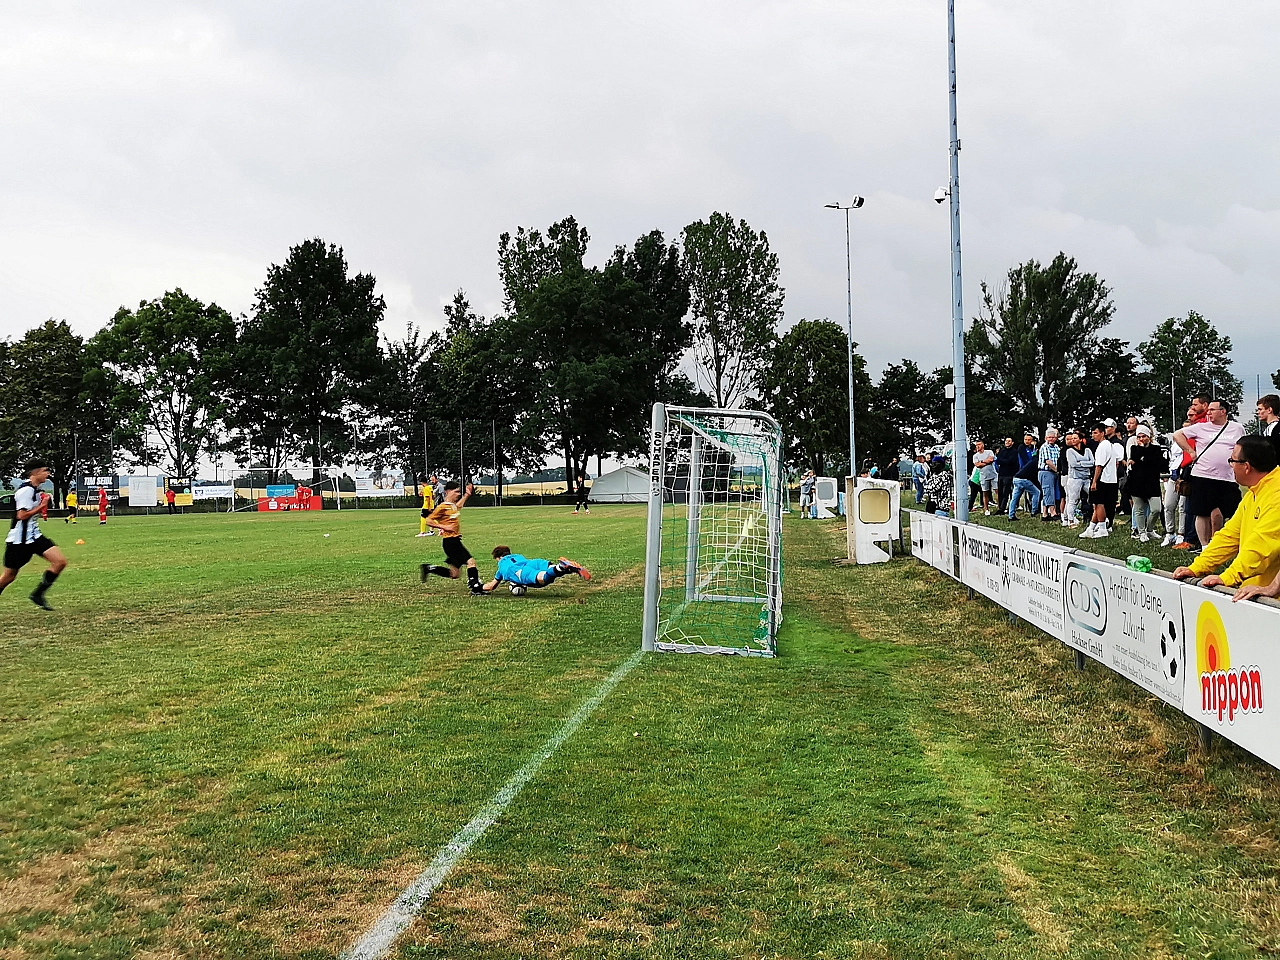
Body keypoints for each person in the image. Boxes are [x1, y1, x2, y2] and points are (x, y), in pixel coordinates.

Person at [1173, 436, 1280, 591]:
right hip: (1253, 592)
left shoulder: (1276, 496)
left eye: (1232, 460)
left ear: (1246, 467)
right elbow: (1230, 536)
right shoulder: (1255, 491)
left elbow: (1262, 545)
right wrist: (1197, 567)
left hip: (1271, 600)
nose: (1230, 466)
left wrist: (1229, 577)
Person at [1174, 399, 1246, 547]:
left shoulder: (1237, 428)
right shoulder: (1201, 427)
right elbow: (1177, 435)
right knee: (1202, 512)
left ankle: (1220, 541)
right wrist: (1190, 451)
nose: (1209, 413)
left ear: (1223, 411)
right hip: (1203, 475)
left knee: (1229, 509)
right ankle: (1204, 545)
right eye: (1208, 410)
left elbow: (1243, 447)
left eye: (1212, 410)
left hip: (1227, 477)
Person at [1, 461, 68, 610]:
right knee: (9, 576)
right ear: (35, 472)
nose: (47, 474)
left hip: (34, 537)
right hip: (19, 541)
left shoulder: (35, 489)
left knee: (60, 562)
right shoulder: (26, 491)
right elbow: (21, 515)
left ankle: (38, 594)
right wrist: (42, 506)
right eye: (45, 471)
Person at [419, 481, 486, 596]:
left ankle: (429, 568)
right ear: (448, 492)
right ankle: (475, 588)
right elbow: (428, 520)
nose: (458, 494)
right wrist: (445, 527)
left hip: (453, 542)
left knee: (454, 574)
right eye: (456, 492)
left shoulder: (452, 506)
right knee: (471, 562)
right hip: (451, 542)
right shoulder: (442, 507)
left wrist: (467, 495)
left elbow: (458, 506)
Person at [480, 545, 592, 593]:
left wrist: (478, 587)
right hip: (533, 562)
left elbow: (491, 586)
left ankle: (561, 567)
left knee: (544, 578)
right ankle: (566, 568)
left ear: (499, 557)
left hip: (520, 571)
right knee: (551, 569)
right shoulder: (517, 556)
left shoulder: (502, 567)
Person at [1126, 425, 1164, 542]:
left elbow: (1155, 462)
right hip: (1137, 483)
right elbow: (1135, 458)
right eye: (1139, 437)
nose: (1141, 439)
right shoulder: (1134, 448)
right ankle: (1141, 532)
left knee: (1156, 509)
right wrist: (1142, 453)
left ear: (1149, 437)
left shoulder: (1156, 449)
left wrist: (1142, 459)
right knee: (1139, 509)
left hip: (1152, 483)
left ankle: (1149, 529)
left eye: (1143, 436)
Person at [1080, 424, 1118, 539]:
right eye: (1092, 433)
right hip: (1111, 479)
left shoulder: (1102, 446)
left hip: (1103, 479)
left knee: (1099, 504)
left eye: (1095, 433)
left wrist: (1094, 481)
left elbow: (1099, 465)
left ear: (1102, 433)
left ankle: (1102, 528)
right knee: (1097, 504)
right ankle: (1091, 528)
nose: (1093, 435)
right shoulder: (1109, 445)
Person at [1161, 423, 1190, 548]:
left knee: (1182, 507)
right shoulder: (1175, 445)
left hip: (1185, 477)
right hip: (1173, 477)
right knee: (1168, 505)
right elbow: (1172, 460)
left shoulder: (1192, 444)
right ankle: (1169, 532)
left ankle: (1181, 533)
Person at [1062, 429, 1093, 528]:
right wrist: (1085, 464)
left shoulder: (1087, 450)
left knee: (1093, 495)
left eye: (1075, 438)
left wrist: (1081, 463)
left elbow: (1093, 462)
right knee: (1073, 500)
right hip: (1074, 478)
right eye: (1072, 438)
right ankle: (1070, 520)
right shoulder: (1070, 451)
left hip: (1086, 478)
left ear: (1080, 439)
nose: (1073, 440)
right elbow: (1073, 464)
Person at [1008, 435, 1041, 521]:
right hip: (1024, 479)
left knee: (1015, 498)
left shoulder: (1033, 455)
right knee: (1036, 492)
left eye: (1029, 439)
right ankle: (1034, 511)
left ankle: (1011, 515)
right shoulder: (1035, 461)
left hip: (1016, 478)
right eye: (1025, 439)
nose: (1027, 441)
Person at [1037, 428, 1061, 522]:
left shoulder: (1056, 447)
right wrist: (1057, 470)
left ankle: (1045, 514)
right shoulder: (1045, 447)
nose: (1051, 439)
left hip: (1053, 472)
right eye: (1049, 437)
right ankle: (1053, 512)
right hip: (1046, 471)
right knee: (1048, 492)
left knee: (1048, 492)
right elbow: (1048, 461)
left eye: (1053, 437)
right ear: (1046, 438)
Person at [995, 437, 1018, 515]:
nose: (1007, 442)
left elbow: (1011, 461)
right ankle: (1000, 507)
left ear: (1012, 442)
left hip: (1009, 474)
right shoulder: (1002, 450)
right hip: (1001, 473)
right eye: (1006, 441)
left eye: (1009, 441)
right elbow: (998, 460)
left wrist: (1003, 461)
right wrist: (1004, 461)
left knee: (1006, 492)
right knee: (1000, 491)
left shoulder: (1014, 451)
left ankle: (1003, 508)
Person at [972, 440, 996, 515]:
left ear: (983, 445)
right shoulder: (975, 456)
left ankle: (1000, 507)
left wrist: (981, 462)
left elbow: (991, 459)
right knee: (985, 493)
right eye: (976, 445)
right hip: (983, 476)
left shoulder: (989, 452)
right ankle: (986, 509)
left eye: (979, 444)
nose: (977, 446)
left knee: (997, 490)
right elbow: (977, 465)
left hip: (993, 475)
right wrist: (986, 462)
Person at [1257, 394, 1280, 461]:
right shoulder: (1269, 428)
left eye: (1260, 409)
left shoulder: (1274, 428)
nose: (1258, 412)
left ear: (1269, 410)